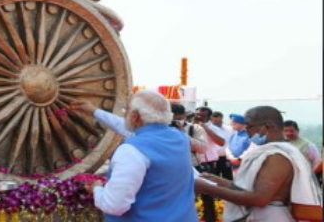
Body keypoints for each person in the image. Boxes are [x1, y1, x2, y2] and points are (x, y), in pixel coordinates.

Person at [79, 90, 198, 221]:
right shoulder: (180, 138)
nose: (125, 115)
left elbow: (114, 206)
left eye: (127, 111)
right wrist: (94, 111)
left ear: (135, 116)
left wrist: (97, 189)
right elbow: (126, 127)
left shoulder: (131, 150)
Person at [195, 106, 324, 222]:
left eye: (249, 126)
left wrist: (207, 188)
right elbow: (248, 189)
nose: (247, 131)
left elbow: (259, 199)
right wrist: (217, 181)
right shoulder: (270, 151)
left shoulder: (277, 156)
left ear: (267, 126)